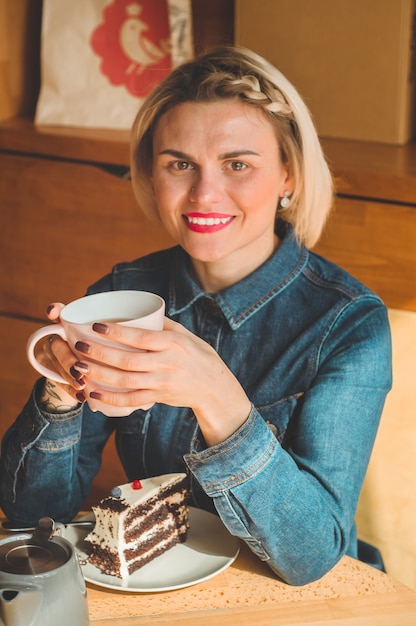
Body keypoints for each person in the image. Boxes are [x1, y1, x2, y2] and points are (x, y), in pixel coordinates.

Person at [0, 46, 391, 585]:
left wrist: (216, 395)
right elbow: (33, 520)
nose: (204, 193)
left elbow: (312, 556)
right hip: (159, 584)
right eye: (180, 164)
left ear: (289, 176)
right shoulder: (121, 295)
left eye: (237, 164)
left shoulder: (349, 324)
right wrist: (60, 395)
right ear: (151, 174)